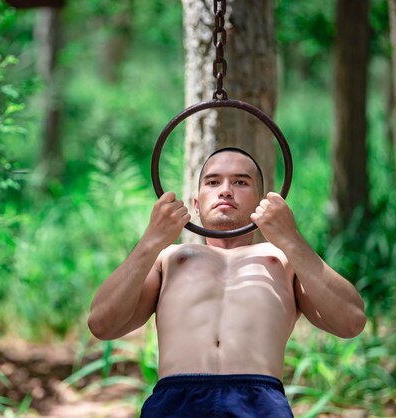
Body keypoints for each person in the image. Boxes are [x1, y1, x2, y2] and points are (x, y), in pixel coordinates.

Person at [87, 147, 366, 417]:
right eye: (212, 181)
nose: (225, 189)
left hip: (260, 401)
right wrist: (151, 240)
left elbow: (351, 321)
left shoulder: (284, 260)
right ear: (196, 204)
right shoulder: (168, 258)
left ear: (262, 204)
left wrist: (291, 238)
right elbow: (102, 323)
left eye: (240, 182)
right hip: (177, 399)